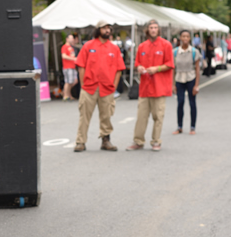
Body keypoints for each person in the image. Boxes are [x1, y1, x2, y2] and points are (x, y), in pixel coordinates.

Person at [73, 20, 126, 152]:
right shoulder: (88, 46)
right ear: (98, 30)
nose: (107, 30)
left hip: (107, 88)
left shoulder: (114, 48)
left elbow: (119, 69)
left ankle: (106, 141)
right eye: (104, 28)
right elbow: (81, 66)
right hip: (89, 87)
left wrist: (113, 86)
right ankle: (80, 142)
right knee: (84, 116)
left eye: (109, 28)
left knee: (106, 116)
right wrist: (84, 84)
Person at [126, 19, 174, 152]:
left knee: (158, 116)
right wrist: (140, 68)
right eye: (151, 27)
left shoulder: (166, 45)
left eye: (155, 27)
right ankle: (138, 141)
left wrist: (157, 69)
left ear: (158, 30)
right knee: (141, 116)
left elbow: (170, 64)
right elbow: (137, 64)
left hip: (159, 87)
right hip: (145, 88)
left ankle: (156, 141)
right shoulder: (142, 46)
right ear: (148, 30)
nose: (153, 30)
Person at [172, 30, 201, 135]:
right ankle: (179, 126)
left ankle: (192, 127)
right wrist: (173, 85)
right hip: (179, 78)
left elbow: (197, 70)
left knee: (192, 103)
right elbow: (173, 69)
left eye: (187, 36)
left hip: (191, 78)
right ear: (180, 38)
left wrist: (196, 85)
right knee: (180, 102)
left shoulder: (194, 52)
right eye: (183, 36)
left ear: (190, 38)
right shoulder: (175, 52)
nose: (185, 38)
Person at [61, 33, 78, 101]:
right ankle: (65, 95)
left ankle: (67, 93)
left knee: (74, 81)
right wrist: (73, 58)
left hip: (72, 67)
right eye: (70, 38)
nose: (72, 39)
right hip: (67, 67)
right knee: (68, 81)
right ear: (67, 39)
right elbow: (63, 56)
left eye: (72, 38)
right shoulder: (64, 47)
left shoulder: (71, 47)